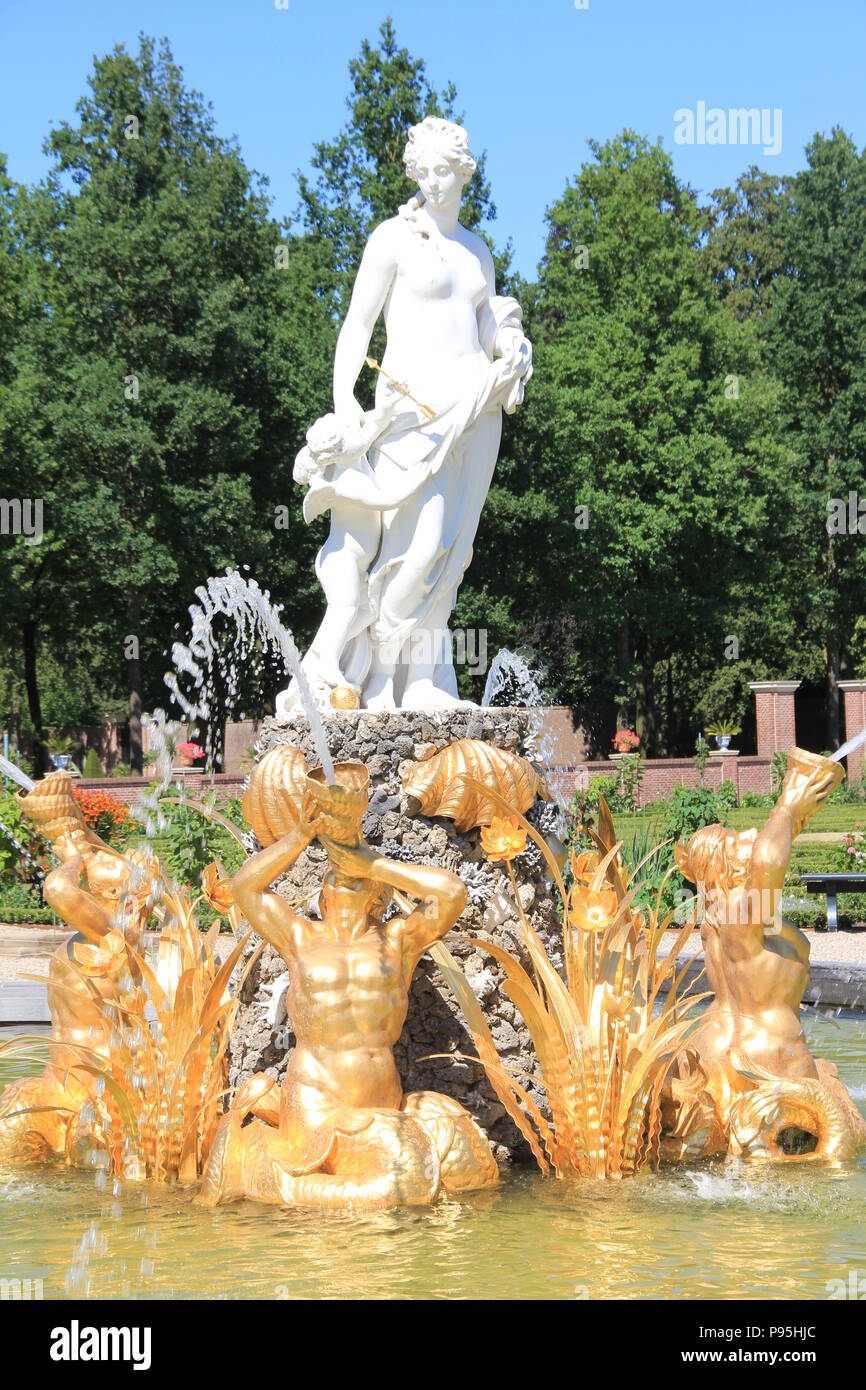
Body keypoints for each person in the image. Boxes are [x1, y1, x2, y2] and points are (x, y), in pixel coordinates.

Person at [278, 117, 532, 713]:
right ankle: (381, 679)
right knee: (415, 547)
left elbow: (487, 323)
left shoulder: (477, 252)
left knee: (453, 550)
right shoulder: (391, 238)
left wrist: (513, 343)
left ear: (464, 172)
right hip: (411, 414)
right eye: (426, 172)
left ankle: (423, 680)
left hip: (477, 409)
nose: (435, 182)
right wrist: (346, 402)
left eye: (446, 171)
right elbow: (356, 327)